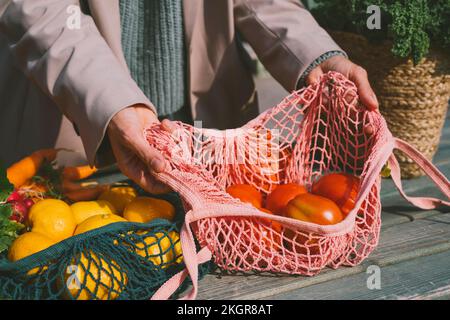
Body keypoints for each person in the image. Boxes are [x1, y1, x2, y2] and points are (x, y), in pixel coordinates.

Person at [0, 0, 378, 194]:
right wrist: (113, 105)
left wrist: (315, 54)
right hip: (76, 144)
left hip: (212, 148)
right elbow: (39, 10)